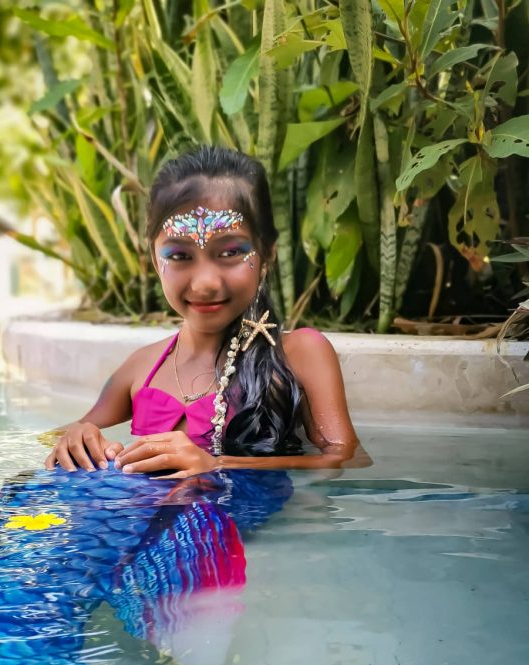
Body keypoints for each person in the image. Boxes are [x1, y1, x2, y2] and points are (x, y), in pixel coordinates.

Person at [46, 145, 367, 478]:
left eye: (230, 252)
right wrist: (78, 436)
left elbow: (346, 459)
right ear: (155, 260)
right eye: (180, 256)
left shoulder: (298, 353)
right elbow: (57, 436)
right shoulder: (142, 366)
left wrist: (217, 464)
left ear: (267, 254)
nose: (204, 283)